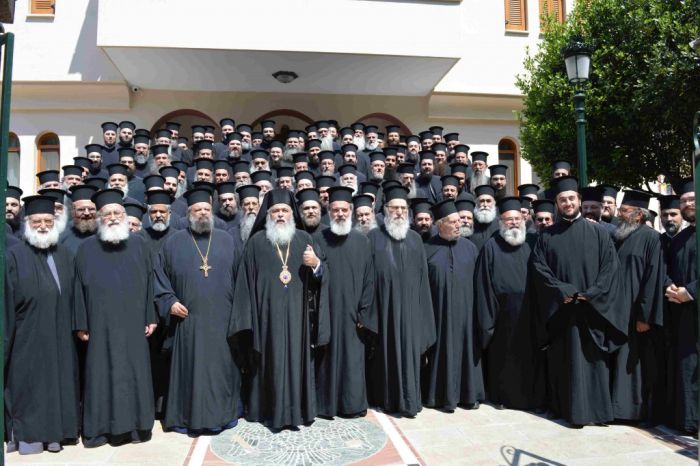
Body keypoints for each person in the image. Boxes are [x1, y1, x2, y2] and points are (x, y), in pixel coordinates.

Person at [530, 176, 624, 428]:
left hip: (592, 311)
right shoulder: (547, 236)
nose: (568, 203)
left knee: (593, 362)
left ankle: (597, 412)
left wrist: (592, 293)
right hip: (561, 310)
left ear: (579, 200)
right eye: (563, 200)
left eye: (571, 198)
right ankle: (563, 409)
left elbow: (610, 268)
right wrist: (564, 290)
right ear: (557, 204)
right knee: (563, 362)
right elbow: (539, 268)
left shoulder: (599, 233)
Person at [231, 189, 329, 430]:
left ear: (292, 214)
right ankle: (268, 411)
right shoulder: (256, 243)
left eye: (285, 210)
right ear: (268, 215)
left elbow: (323, 277)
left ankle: (297, 411)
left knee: (297, 361)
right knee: (268, 362)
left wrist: (316, 264)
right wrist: (248, 322)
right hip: (266, 319)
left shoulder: (304, 239)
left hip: (298, 317)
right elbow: (244, 284)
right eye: (275, 211)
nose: (281, 215)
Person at [154, 187, 245, 434]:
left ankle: (223, 415)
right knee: (190, 371)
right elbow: (159, 279)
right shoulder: (173, 242)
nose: (202, 213)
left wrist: (237, 314)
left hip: (223, 321)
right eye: (197, 210)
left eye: (206, 209)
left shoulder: (227, 240)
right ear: (189, 213)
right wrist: (170, 301)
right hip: (188, 323)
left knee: (221, 370)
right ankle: (186, 417)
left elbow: (242, 280)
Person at [73, 189, 156, 447]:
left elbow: (150, 283)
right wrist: (81, 323)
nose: (112, 218)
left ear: (124, 215)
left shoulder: (140, 245)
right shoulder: (86, 249)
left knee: (134, 373)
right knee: (101, 374)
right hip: (100, 325)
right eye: (106, 214)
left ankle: (137, 428)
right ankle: (101, 430)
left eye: (117, 213)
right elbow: (78, 289)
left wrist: (150, 316)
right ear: (99, 218)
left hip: (134, 324)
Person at [5, 195, 80, 455]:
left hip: (61, 336)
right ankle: (31, 437)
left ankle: (57, 434)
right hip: (27, 338)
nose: (43, 226)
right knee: (31, 388)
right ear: (27, 223)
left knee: (59, 384)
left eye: (48, 221)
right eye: (37, 221)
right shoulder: (13, 256)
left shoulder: (65, 255)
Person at [366, 185, 436, 417]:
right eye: (394, 208)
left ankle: (410, 401)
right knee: (386, 357)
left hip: (411, 312)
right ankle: (389, 401)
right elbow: (368, 279)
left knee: (410, 356)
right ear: (385, 209)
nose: (398, 212)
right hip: (384, 311)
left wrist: (424, 315)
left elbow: (423, 280)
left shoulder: (415, 239)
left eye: (403, 209)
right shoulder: (373, 237)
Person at [475, 197, 543, 411]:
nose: (513, 223)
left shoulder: (532, 242)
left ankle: (532, 400)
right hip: (502, 317)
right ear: (501, 222)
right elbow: (484, 285)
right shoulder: (491, 246)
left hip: (530, 313)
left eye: (517, 219)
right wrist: (488, 322)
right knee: (504, 360)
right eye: (508, 219)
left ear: (523, 220)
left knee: (530, 360)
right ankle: (502, 398)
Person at [313, 186, 376, 418]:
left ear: (350, 210)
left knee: (353, 360)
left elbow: (370, 279)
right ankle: (326, 405)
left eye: (344, 210)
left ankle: (352, 405)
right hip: (327, 312)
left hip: (353, 316)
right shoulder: (318, 239)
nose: (340, 214)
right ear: (329, 212)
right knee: (326, 360)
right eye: (335, 210)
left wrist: (364, 313)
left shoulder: (362, 241)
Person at [422, 200, 483, 411]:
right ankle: (438, 397)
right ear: (440, 225)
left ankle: (468, 396)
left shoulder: (470, 248)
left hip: (466, 315)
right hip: (438, 315)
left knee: (467, 353)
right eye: (453, 222)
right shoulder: (426, 249)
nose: (459, 225)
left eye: (459, 221)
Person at [609, 190, 665, 423]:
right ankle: (617, 409)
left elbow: (653, 278)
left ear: (639, 215)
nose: (619, 215)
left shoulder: (651, 238)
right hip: (616, 310)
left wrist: (645, 316)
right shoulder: (619, 236)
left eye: (624, 211)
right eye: (620, 210)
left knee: (635, 364)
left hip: (636, 313)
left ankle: (633, 412)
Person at [664, 178, 698, 434]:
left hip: (692, 303)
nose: (687, 204)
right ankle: (690, 421)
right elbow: (667, 269)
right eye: (684, 200)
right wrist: (670, 288)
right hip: (684, 315)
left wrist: (691, 292)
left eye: (692, 199)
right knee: (688, 367)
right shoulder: (679, 239)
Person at [59, 185, 99, 256]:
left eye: (91, 209)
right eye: (81, 209)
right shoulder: (63, 237)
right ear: (73, 211)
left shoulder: (106, 233)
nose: (87, 213)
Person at [470, 185, 499, 250]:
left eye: (488, 201)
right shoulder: (470, 224)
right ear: (476, 203)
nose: (485, 205)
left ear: (494, 203)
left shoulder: (500, 224)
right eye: (482, 201)